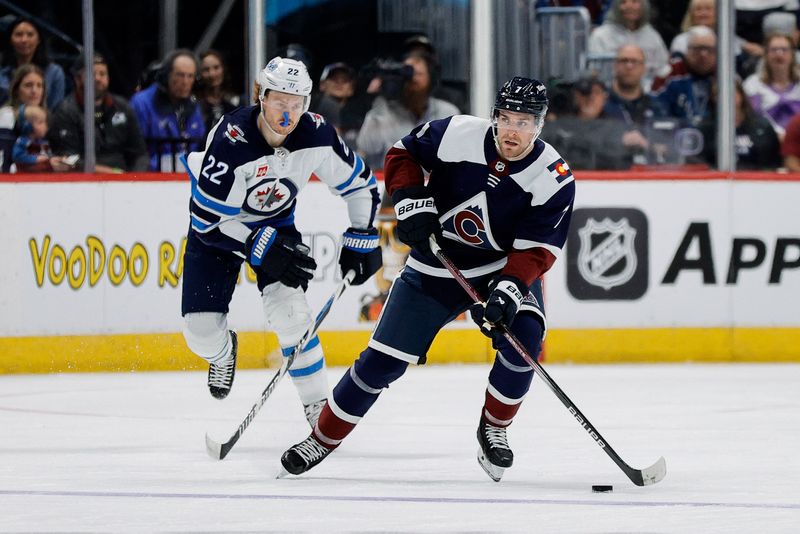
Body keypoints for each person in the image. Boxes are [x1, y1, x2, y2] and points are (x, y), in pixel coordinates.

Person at [280, 77, 576, 482]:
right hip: (434, 266)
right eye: (506, 118)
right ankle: (321, 438)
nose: (513, 130)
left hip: (498, 269)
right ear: (494, 116)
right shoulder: (457, 133)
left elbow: (537, 249)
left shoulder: (553, 175)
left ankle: (494, 427)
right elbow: (403, 155)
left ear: (540, 124)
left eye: (524, 122)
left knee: (524, 339)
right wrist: (410, 202)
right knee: (379, 364)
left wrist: (509, 289)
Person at [180, 56, 381, 427]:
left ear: (306, 104)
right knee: (201, 334)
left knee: (291, 314)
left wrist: (361, 232)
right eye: (279, 101)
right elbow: (206, 221)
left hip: (275, 227)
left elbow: (361, 186)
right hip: (220, 233)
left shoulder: (317, 134)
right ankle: (222, 353)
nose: (287, 113)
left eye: (295, 103)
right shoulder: (231, 140)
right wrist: (254, 243)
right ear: (261, 96)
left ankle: (319, 408)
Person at [356, 51, 459, 169]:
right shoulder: (383, 113)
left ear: (431, 78)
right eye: (407, 73)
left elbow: (458, 155)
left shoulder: (447, 112)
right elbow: (366, 150)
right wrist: (377, 99)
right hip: (395, 183)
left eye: (418, 74)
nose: (412, 79)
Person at [48, 53, 148, 172]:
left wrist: (135, 178)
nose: (98, 78)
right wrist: (109, 173)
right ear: (77, 78)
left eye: (103, 74)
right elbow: (67, 159)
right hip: (83, 181)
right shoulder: (65, 111)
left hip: (123, 179)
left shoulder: (122, 106)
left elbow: (140, 153)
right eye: (92, 74)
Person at [130, 49, 206, 171]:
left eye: (190, 76)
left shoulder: (194, 106)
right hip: (152, 176)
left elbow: (200, 144)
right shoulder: (141, 103)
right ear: (166, 75)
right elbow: (137, 151)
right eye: (180, 75)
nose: (185, 82)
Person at [698, 80, 781, 169]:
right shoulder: (705, 129)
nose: (725, 97)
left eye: (730, 92)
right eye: (718, 94)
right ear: (713, 99)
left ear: (741, 95)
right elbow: (699, 163)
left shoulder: (762, 127)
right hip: (718, 180)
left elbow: (774, 162)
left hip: (757, 179)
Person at [588, 0, 670, 87]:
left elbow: (663, 70)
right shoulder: (601, 35)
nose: (629, 6)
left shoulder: (652, 35)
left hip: (647, 93)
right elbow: (593, 72)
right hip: (609, 92)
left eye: (635, 2)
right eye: (623, 2)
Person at [653, 26, 717, 125]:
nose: (703, 55)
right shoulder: (670, 75)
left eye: (709, 49)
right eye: (698, 49)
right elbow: (655, 111)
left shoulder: (724, 76)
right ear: (687, 50)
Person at [0, 18, 66, 111]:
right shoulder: (2, 71)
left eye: (30, 35)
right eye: (18, 35)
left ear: (39, 39)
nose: (24, 40)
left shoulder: (54, 72)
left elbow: (56, 111)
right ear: (10, 39)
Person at [743, 32, 800, 139]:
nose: (779, 54)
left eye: (784, 49)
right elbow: (752, 119)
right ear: (765, 54)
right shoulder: (752, 84)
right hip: (765, 140)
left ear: (793, 54)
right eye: (774, 50)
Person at [0, 64, 47, 172]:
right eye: (28, 85)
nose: (34, 91)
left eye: (39, 85)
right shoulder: (6, 116)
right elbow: (4, 162)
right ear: (16, 90)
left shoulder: (45, 117)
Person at [12, 104, 68, 172]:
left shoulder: (43, 142)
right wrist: (35, 159)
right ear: (27, 126)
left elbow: (47, 157)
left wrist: (57, 159)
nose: (45, 126)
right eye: (40, 122)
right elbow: (17, 156)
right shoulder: (23, 141)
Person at [196, 49, 240, 132]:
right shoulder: (195, 103)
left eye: (216, 68)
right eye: (206, 70)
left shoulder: (235, 100)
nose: (212, 74)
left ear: (223, 69)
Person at [311, 62, 357, 134]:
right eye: (334, 78)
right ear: (322, 84)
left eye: (345, 80)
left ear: (351, 89)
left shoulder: (356, 120)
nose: (339, 82)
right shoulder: (309, 112)